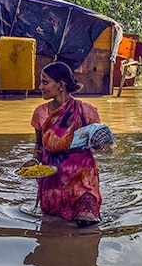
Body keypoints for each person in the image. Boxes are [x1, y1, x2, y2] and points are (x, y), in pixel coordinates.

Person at [23, 61, 103, 227]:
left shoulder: (86, 111)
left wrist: (98, 143)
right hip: (52, 179)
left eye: (45, 82)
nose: (40, 86)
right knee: (52, 225)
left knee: (87, 221)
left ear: (60, 86)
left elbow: (98, 145)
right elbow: (40, 145)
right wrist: (35, 161)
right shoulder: (40, 113)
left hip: (82, 178)